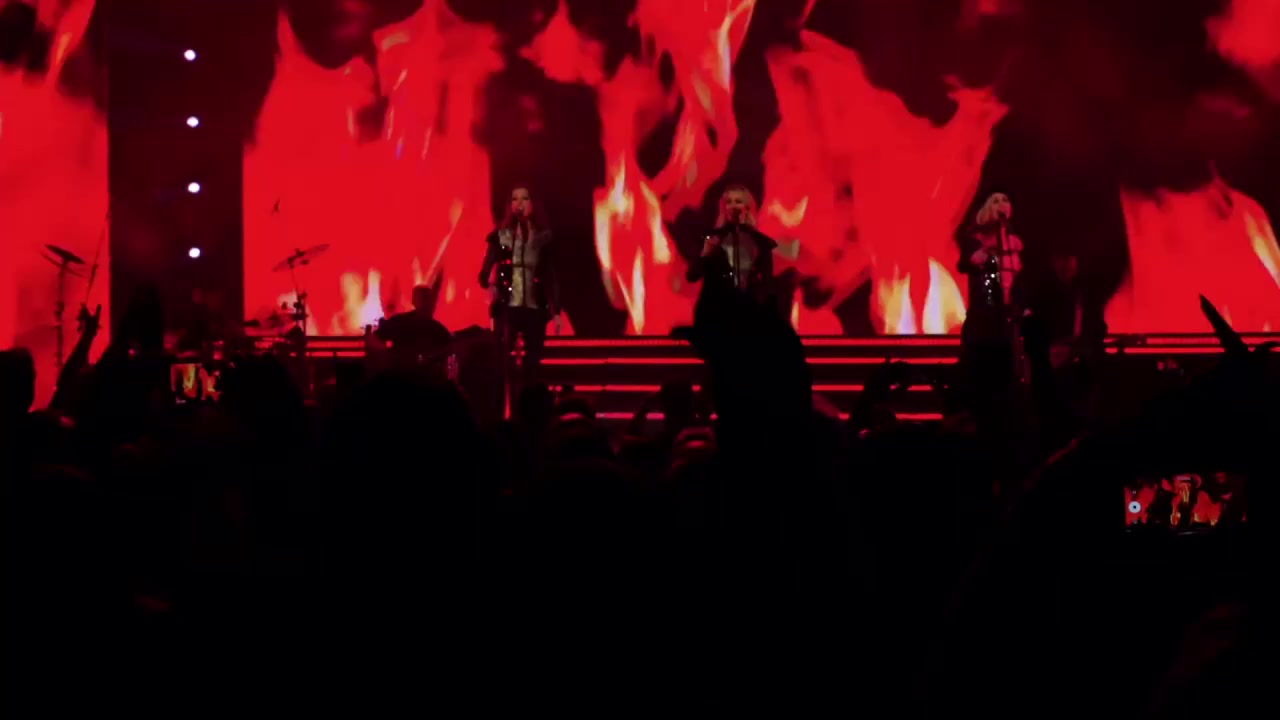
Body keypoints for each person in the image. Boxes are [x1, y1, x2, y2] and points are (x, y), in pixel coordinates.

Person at [478, 185, 561, 392]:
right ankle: (505, 395)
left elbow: (550, 275)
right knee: (502, 354)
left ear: (533, 204)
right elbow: (487, 264)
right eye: (515, 199)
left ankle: (528, 394)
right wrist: (486, 276)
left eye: (525, 198)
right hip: (508, 305)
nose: (520, 204)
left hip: (534, 305)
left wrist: (556, 308)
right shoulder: (500, 236)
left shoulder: (542, 238)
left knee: (533, 357)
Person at [956, 192, 1026, 418]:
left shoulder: (1013, 239)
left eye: (1006, 200)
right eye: (996, 201)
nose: (1002, 204)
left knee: (1008, 360)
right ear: (986, 208)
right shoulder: (974, 237)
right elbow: (965, 263)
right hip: (984, 309)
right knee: (981, 360)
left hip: (1008, 309)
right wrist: (987, 251)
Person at [687, 185, 794, 308]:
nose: (732, 206)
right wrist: (706, 252)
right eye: (728, 202)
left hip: (747, 309)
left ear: (747, 208)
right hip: (715, 309)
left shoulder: (761, 242)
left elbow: (768, 286)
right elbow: (692, 276)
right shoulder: (712, 238)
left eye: (738, 201)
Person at [375, 284, 452, 369]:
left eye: (429, 299)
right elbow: (375, 338)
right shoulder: (400, 322)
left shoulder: (438, 330)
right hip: (401, 373)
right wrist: (387, 358)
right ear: (414, 301)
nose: (427, 303)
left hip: (424, 374)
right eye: (424, 298)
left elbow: (448, 349)